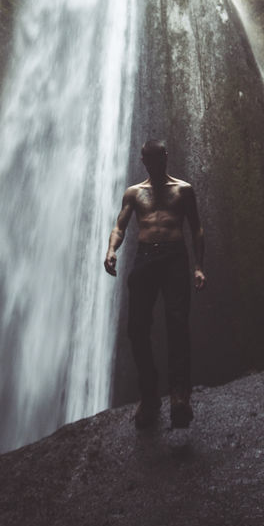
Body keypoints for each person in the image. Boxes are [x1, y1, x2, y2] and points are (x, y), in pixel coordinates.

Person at [104, 139, 207, 429]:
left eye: (159, 158)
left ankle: (179, 396)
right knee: (137, 328)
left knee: (177, 324)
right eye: (150, 159)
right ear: (143, 160)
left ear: (166, 157)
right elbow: (119, 225)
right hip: (145, 257)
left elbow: (196, 228)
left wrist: (199, 266)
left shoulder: (183, 190)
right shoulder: (135, 193)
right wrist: (112, 249)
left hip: (174, 256)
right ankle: (149, 396)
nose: (155, 164)